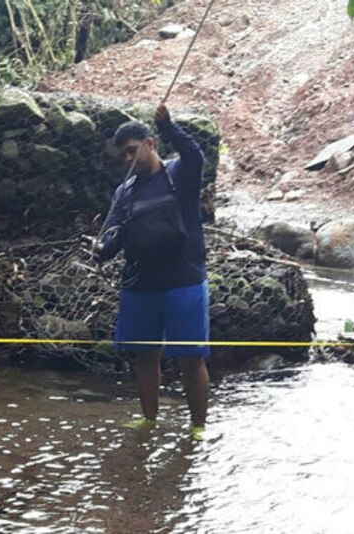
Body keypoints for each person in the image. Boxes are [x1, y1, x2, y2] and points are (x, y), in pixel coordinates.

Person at [93, 104, 211, 442]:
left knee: (191, 357)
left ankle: (198, 427)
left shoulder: (179, 174)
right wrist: (101, 249)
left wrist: (168, 125)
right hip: (140, 283)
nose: (129, 160)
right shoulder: (124, 192)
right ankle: (148, 420)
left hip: (184, 279)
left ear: (150, 143)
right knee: (144, 356)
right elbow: (112, 235)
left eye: (133, 151)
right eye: (124, 156)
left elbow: (196, 155)